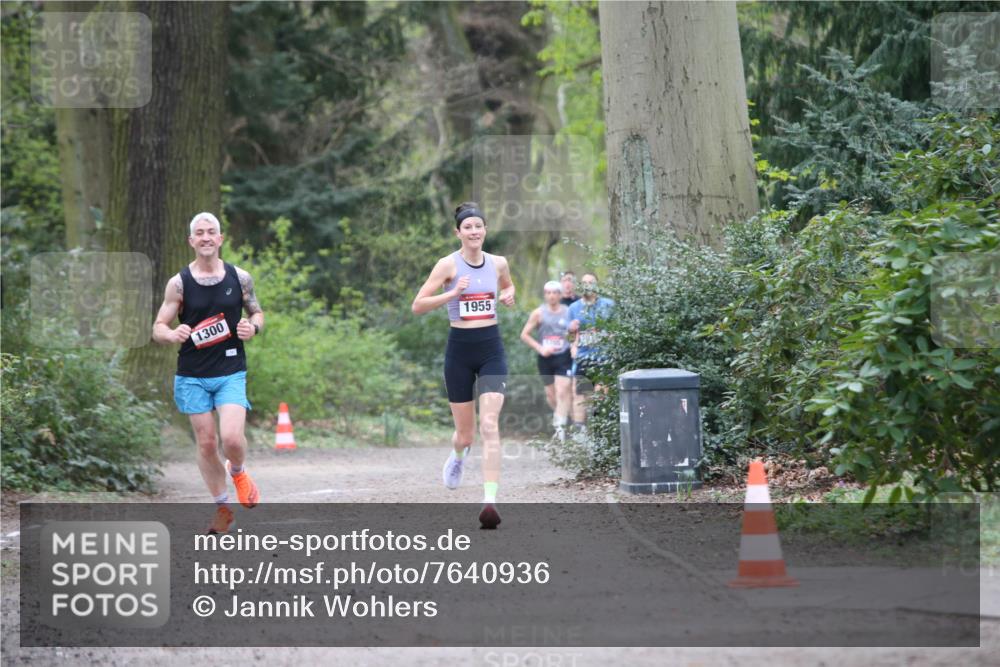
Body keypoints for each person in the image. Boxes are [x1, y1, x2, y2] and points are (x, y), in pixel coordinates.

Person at [152, 212, 263, 534]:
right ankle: (223, 509)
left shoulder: (240, 278)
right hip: (191, 374)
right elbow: (158, 325)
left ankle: (239, 471)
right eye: (199, 233)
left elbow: (257, 312)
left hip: (230, 369)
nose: (205, 237)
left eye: (211, 232)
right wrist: (170, 334)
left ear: (220, 238)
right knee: (205, 444)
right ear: (191, 241)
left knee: (230, 438)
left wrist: (252, 328)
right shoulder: (179, 283)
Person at [411, 202, 515, 529]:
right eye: (467, 227)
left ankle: (490, 501)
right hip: (459, 351)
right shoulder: (447, 265)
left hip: (491, 350)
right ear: (458, 232)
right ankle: (458, 457)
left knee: (489, 425)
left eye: (478, 226)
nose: (474, 232)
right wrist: (452, 293)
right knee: (466, 435)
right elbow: (418, 305)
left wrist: (510, 294)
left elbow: (508, 285)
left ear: (485, 230)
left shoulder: (498, 263)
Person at [519, 281, 572, 441]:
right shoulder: (538, 313)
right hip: (545, 358)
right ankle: (563, 418)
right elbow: (524, 334)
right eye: (548, 293)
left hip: (564, 356)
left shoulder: (569, 312)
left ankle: (560, 430)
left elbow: (576, 332)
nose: (551, 296)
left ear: (560, 295)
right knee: (551, 395)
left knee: (562, 391)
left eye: (555, 292)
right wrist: (540, 348)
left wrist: (570, 342)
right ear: (545, 295)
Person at [568, 273, 615, 426]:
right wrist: (571, 335)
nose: (587, 285)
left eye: (591, 282)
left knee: (600, 394)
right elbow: (569, 337)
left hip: (603, 357)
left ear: (597, 285)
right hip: (583, 357)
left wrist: (609, 336)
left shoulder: (608, 305)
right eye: (584, 282)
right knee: (581, 396)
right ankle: (580, 432)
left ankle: (600, 428)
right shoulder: (573, 308)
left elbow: (618, 331)